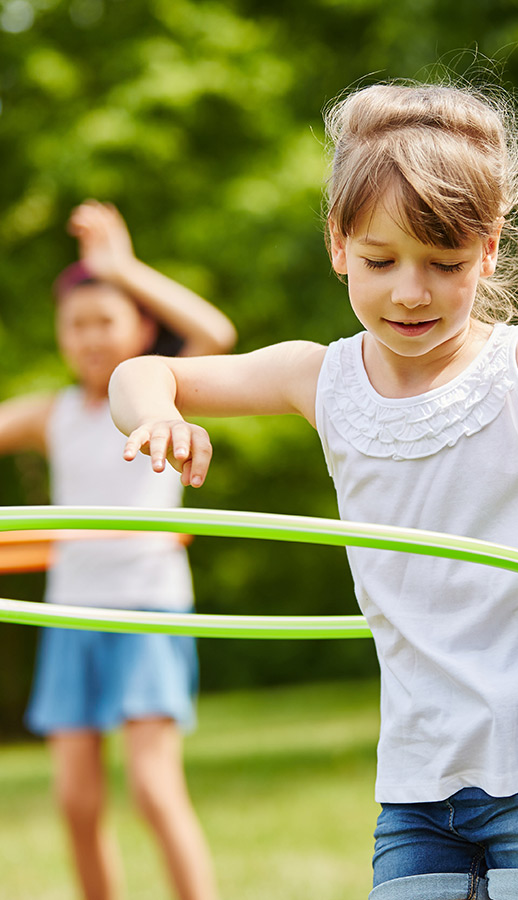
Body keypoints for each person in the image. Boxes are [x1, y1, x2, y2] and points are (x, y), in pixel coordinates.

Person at [109, 80, 518, 900]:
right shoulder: (318, 376)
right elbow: (140, 371)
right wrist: (157, 416)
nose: (410, 291)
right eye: (381, 261)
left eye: (444, 263)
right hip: (420, 774)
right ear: (338, 244)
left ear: (488, 250)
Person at [0, 199, 236, 900]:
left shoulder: (159, 394)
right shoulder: (56, 414)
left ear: (140, 327)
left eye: (106, 320)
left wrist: (122, 267)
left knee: (155, 791)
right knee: (75, 802)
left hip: (147, 609)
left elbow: (216, 332)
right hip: (73, 614)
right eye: (76, 325)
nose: (90, 337)